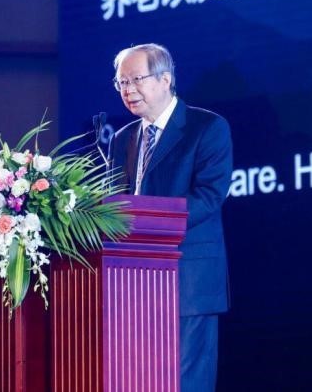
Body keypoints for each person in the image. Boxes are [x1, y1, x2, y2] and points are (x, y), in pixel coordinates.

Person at [108, 43, 232, 392]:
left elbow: (209, 196)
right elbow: (115, 206)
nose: (128, 90)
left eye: (136, 79)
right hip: (133, 284)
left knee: (185, 383)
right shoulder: (122, 139)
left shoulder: (206, 127)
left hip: (189, 280)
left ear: (165, 79)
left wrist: (148, 225)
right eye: (121, 83)